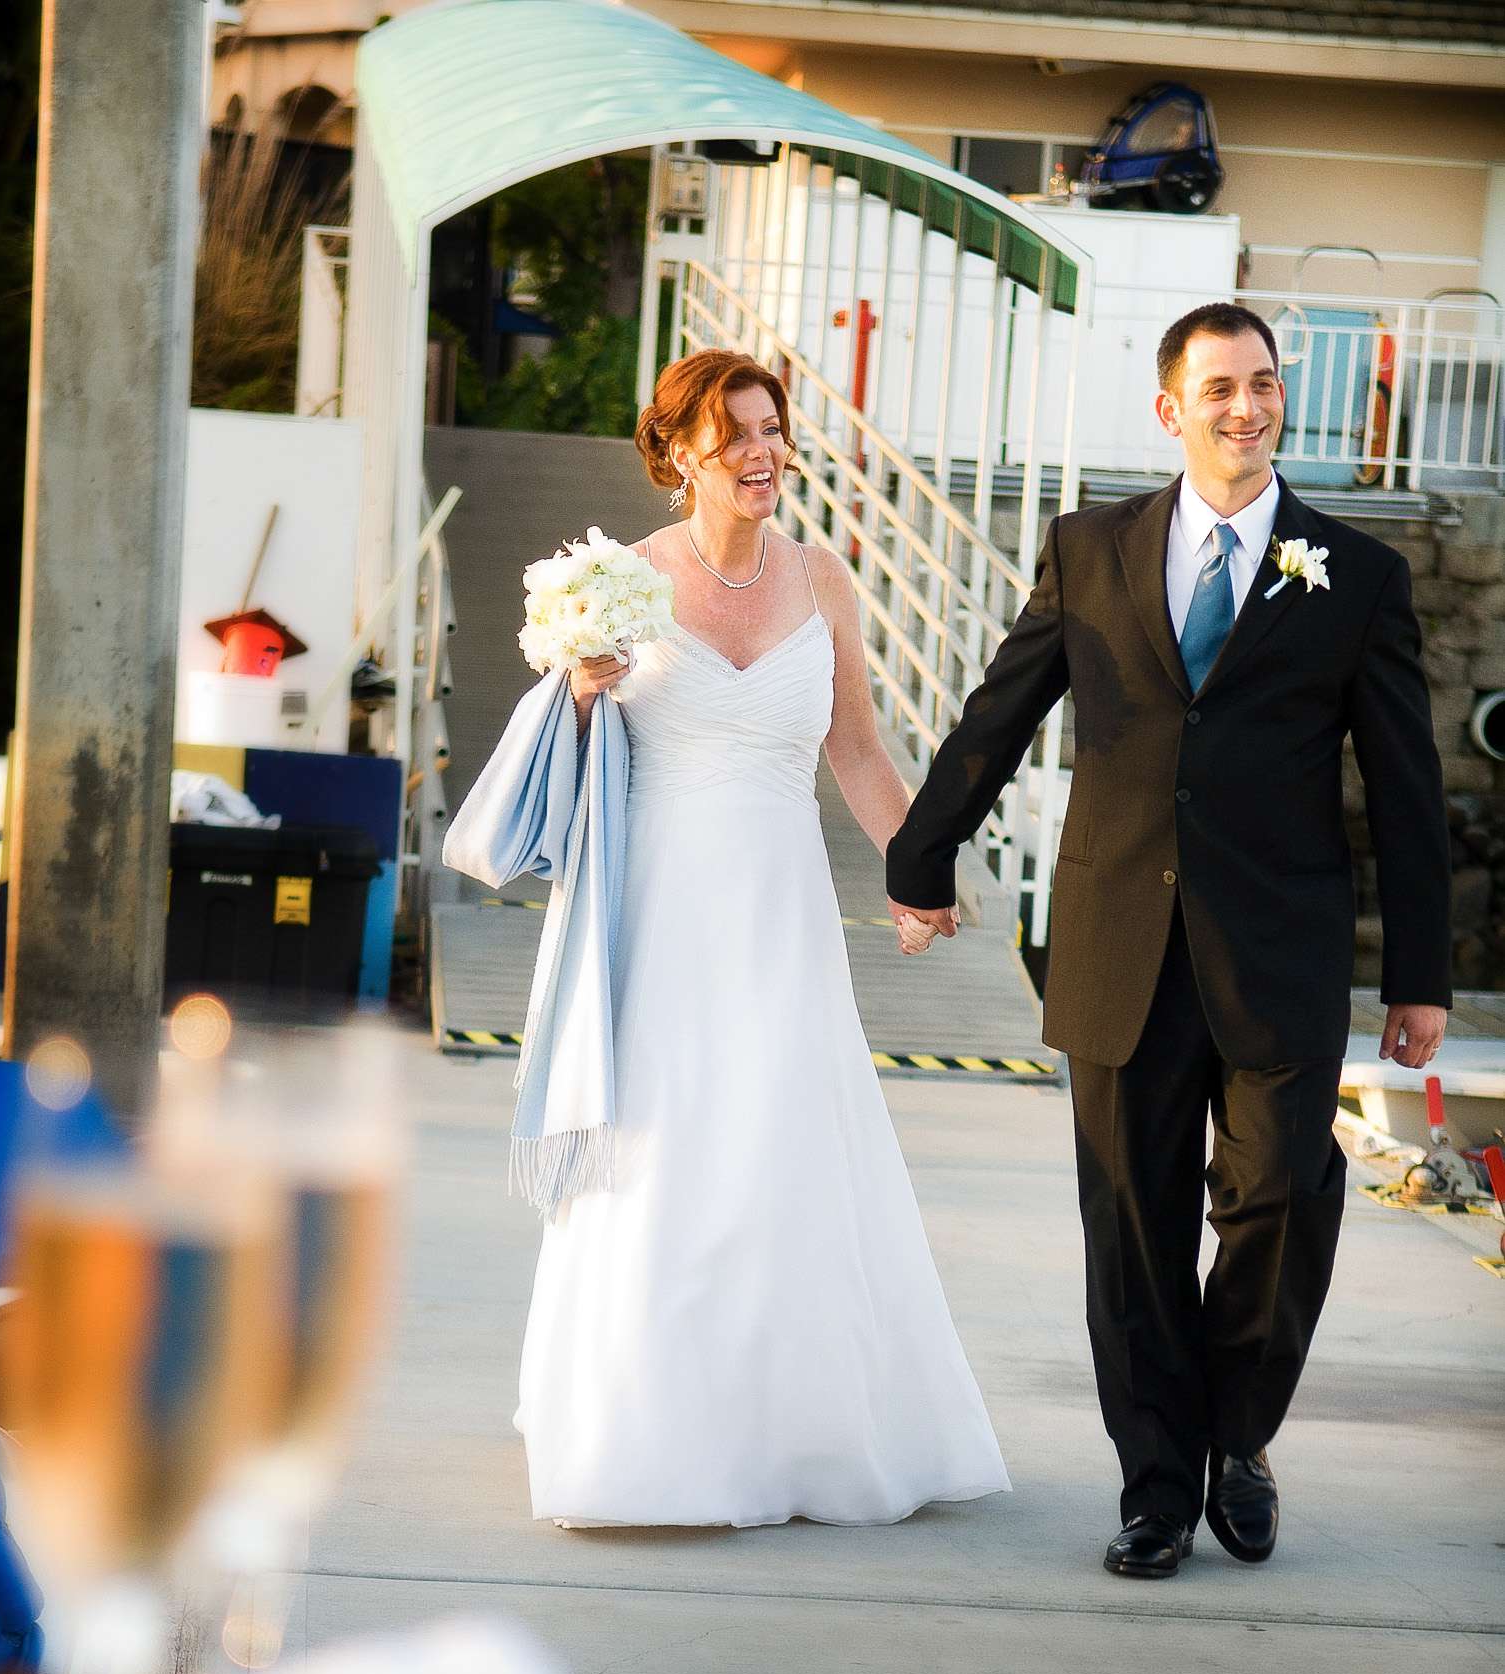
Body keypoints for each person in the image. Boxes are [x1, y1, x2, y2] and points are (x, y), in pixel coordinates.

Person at [886, 301, 1451, 1579]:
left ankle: (1238, 1440)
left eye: (1262, 384)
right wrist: (925, 852)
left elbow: (1406, 785)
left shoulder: (1356, 574)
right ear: (1169, 407)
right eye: (1219, 388)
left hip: (1281, 956)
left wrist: (1418, 974)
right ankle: (1154, 1490)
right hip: (1116, 943)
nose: (1245, 407)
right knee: (1131, 1224)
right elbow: (1003, 706)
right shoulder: (1088, 548)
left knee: (1276, 1207)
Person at [513, 348, 1008, 1527]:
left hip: (781, 914)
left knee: (784, 1145)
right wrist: (580, 690)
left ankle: (801, 1429)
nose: (759, 451)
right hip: (662, 912)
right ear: (679, 451)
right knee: (665, 1149)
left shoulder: (823, 580)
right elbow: (572, 761)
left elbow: (857, 751)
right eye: (733, 432)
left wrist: (918, 869)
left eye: (772, 429)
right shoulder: (619, 581)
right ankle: (644, 1428)